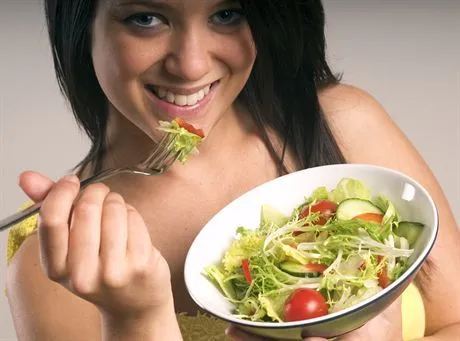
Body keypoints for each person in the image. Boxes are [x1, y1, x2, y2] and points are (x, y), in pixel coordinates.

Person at [5, 0, 460, 340]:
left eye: (227, 13)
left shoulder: (344, 125)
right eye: (146, 18)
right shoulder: (56, 258)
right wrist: (137, 318)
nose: (192, 65)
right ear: (81, 23)